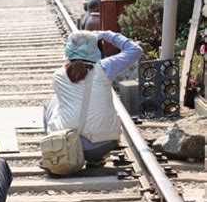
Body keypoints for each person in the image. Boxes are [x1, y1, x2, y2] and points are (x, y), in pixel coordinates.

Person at [43, 30, 143, 166]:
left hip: (66, 144)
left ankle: (53, 151)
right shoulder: (105, 67)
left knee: (52, 102)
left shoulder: (59, 75)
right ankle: (95, 160)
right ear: (94, 49)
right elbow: (135, 50)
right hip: (101, 146)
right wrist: (107, 34)